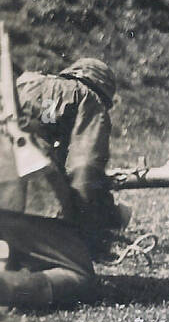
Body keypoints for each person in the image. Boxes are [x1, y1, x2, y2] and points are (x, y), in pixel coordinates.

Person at [0, 57, 123, 308]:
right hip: (27, 182)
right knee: (79, 275)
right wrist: (85, 222)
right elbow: (85, 169)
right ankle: (7, 290)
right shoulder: (88, 98)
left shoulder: (25, 83)